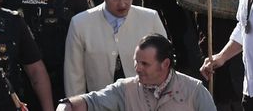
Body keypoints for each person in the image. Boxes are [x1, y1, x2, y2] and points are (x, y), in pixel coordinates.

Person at [62, 0, 167, 96]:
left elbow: (166, 69)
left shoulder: (150, 18)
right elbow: (74, 78)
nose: (122, 4)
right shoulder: (80, 24)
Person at [58, 34, 216, 111]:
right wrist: (67, 105)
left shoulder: (195, 92)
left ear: (165, 64)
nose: (137, 68)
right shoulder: (125, 90)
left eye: (145, 64)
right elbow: (93, 101)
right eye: (136, 61)